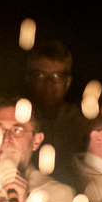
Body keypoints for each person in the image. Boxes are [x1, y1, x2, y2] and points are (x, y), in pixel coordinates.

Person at [23, 41, 90, 184]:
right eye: (41, 75)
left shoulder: (82, 124)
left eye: (56, 76)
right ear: (29, 79)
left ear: (68, 82)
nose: (49, 83)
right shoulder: (15, 121)